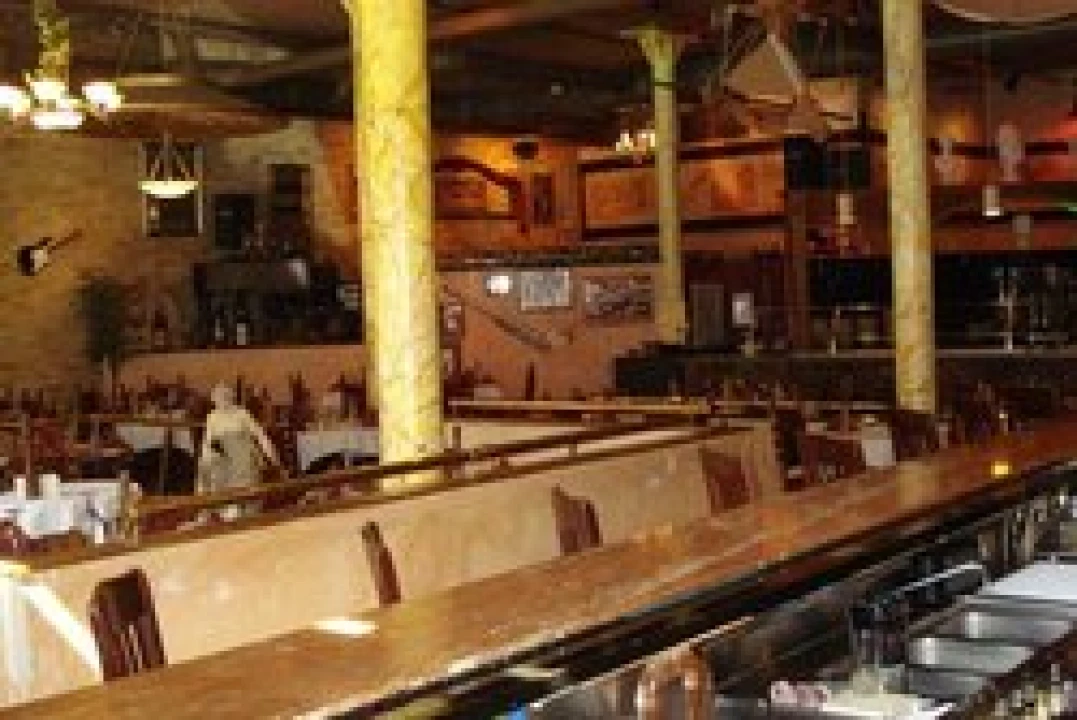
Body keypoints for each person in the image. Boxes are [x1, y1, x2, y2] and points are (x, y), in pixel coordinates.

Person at [198, 383, 281, 494]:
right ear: (213, 399)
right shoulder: (212, 416)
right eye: (218, 396)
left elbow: (260, 435)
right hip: (223, 460)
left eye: (225, 395)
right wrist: (204, 463)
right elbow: (208, 442)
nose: (221, 399)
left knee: (244, 492)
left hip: (243, 460)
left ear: (231, 397)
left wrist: (272, 456)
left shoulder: (242, 413)